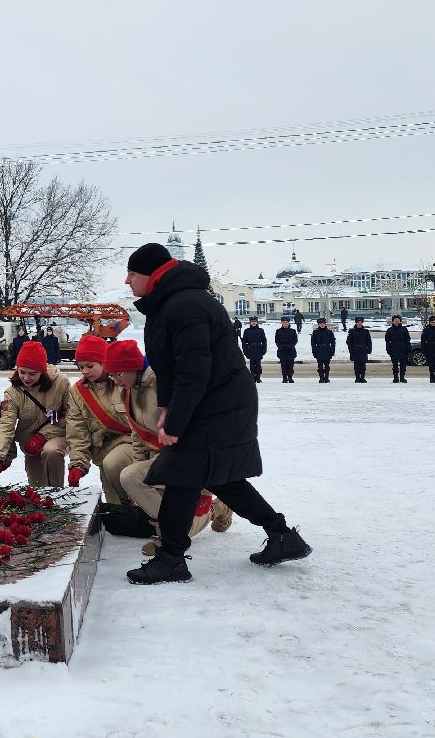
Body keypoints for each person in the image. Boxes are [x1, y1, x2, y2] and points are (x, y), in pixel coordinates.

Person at [120, 242, 310, 585]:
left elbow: (194, 369)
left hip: (216, 403)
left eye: (132, 273)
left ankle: (172, 558)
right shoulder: (173, 302)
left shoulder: (184, 304)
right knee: (220, 477)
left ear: (151, 274)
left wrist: (176, 420)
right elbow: (172, 366)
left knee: (183, 474)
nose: (127, 280)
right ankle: (282, 536)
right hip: (212, 400)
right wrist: (167, 407)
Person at [105, 338, 232, 554]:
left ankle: (177, 532)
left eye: (119, 374)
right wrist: (142, 476)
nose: (116, 381)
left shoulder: (163, 382)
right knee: (133, 477)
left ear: (134, 367)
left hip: (191, 456)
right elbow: (137, 434)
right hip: (163, 459)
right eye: (112, 375)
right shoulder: (127, 390)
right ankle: (202, 514)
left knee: (132, 477)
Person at [0, 339, 71, 487]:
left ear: (42, 371)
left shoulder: (61, 383)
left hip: (58, 435)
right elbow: (5, 426)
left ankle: (58, 492)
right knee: (36, 487)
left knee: (51, 452)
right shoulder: (13, 393)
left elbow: (71, 417)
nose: (26, 378)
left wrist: (43, 435)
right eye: (22, 372)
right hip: (30, 444)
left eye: (32, 374)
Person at [63, 334, 133, 506]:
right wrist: (77, 465)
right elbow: (77, 431)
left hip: (133, 445)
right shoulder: (77, 392)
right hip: (103, 451)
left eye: (90, 366)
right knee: (114, 508)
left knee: (134, 499)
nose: (85, 371)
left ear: (104, 362)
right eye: (80, 367)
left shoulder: (123, 381)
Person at [384, 315, 411, 383]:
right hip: (394, 348)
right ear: (393, 321)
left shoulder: (404, 329)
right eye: (395, 320)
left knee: (403, 364)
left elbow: (407, 339)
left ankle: (402, 377)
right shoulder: (390, 330)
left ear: (400, 321)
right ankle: (395, 377)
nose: (397, 321)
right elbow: (387, 341)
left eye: (398, 320)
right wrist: (388, 349)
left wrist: (408, 348)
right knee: (395, 364)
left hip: (403, 348)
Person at [346, 317, 373, 383]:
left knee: (363, 365)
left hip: (363, 350)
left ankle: (362, 377)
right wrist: (351, 349)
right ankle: (357, 378)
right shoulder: (352, 331)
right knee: (356, 365)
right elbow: (348, 341)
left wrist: (369, 349)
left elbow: (369, 341)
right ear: (356, 323)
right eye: (358, 322)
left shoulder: (365, 331)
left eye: (361, 322)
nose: (359, 323)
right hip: (355, 350)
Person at [240, 317, 267, 382]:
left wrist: (264, 350)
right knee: (252, 364)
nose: (254, 323)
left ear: (257, 322)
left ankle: (258, 378)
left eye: (255, 321)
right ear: (250, 322)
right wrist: (245, 351)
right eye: (252, 321)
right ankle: (252, 377)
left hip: (258, 349)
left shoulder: (261, 330)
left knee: (258, 364)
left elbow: (264, 341)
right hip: (250, 349)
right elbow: (244, 343)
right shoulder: (247, 331)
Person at [310, 318, 335, 383]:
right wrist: (314, 351)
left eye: (323, 323)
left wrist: (332, 351)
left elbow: (333, 342)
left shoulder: (329, 332)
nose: (322, 325)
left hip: (327, 350)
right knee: (320, 366)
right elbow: (313, 343)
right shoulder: (315, 332)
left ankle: (326, 378)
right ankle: (321, 378)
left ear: (325, 324)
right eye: (320, 323)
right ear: (318, 324)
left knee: (327, 366)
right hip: (319, 350)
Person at [274, 317, 298, 383]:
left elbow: (295, 340)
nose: (285, 324)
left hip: (291, 350)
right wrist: (281, 346)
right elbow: (277, 341)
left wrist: (289, 346)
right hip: (282, 350)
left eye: (286, 322)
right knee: (283, 365)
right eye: (283, 322)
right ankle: (284, 378)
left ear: (289, 323)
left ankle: (290, 377)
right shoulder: (278, 331)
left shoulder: (292, 331)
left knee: (290, 365)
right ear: (281, 323)